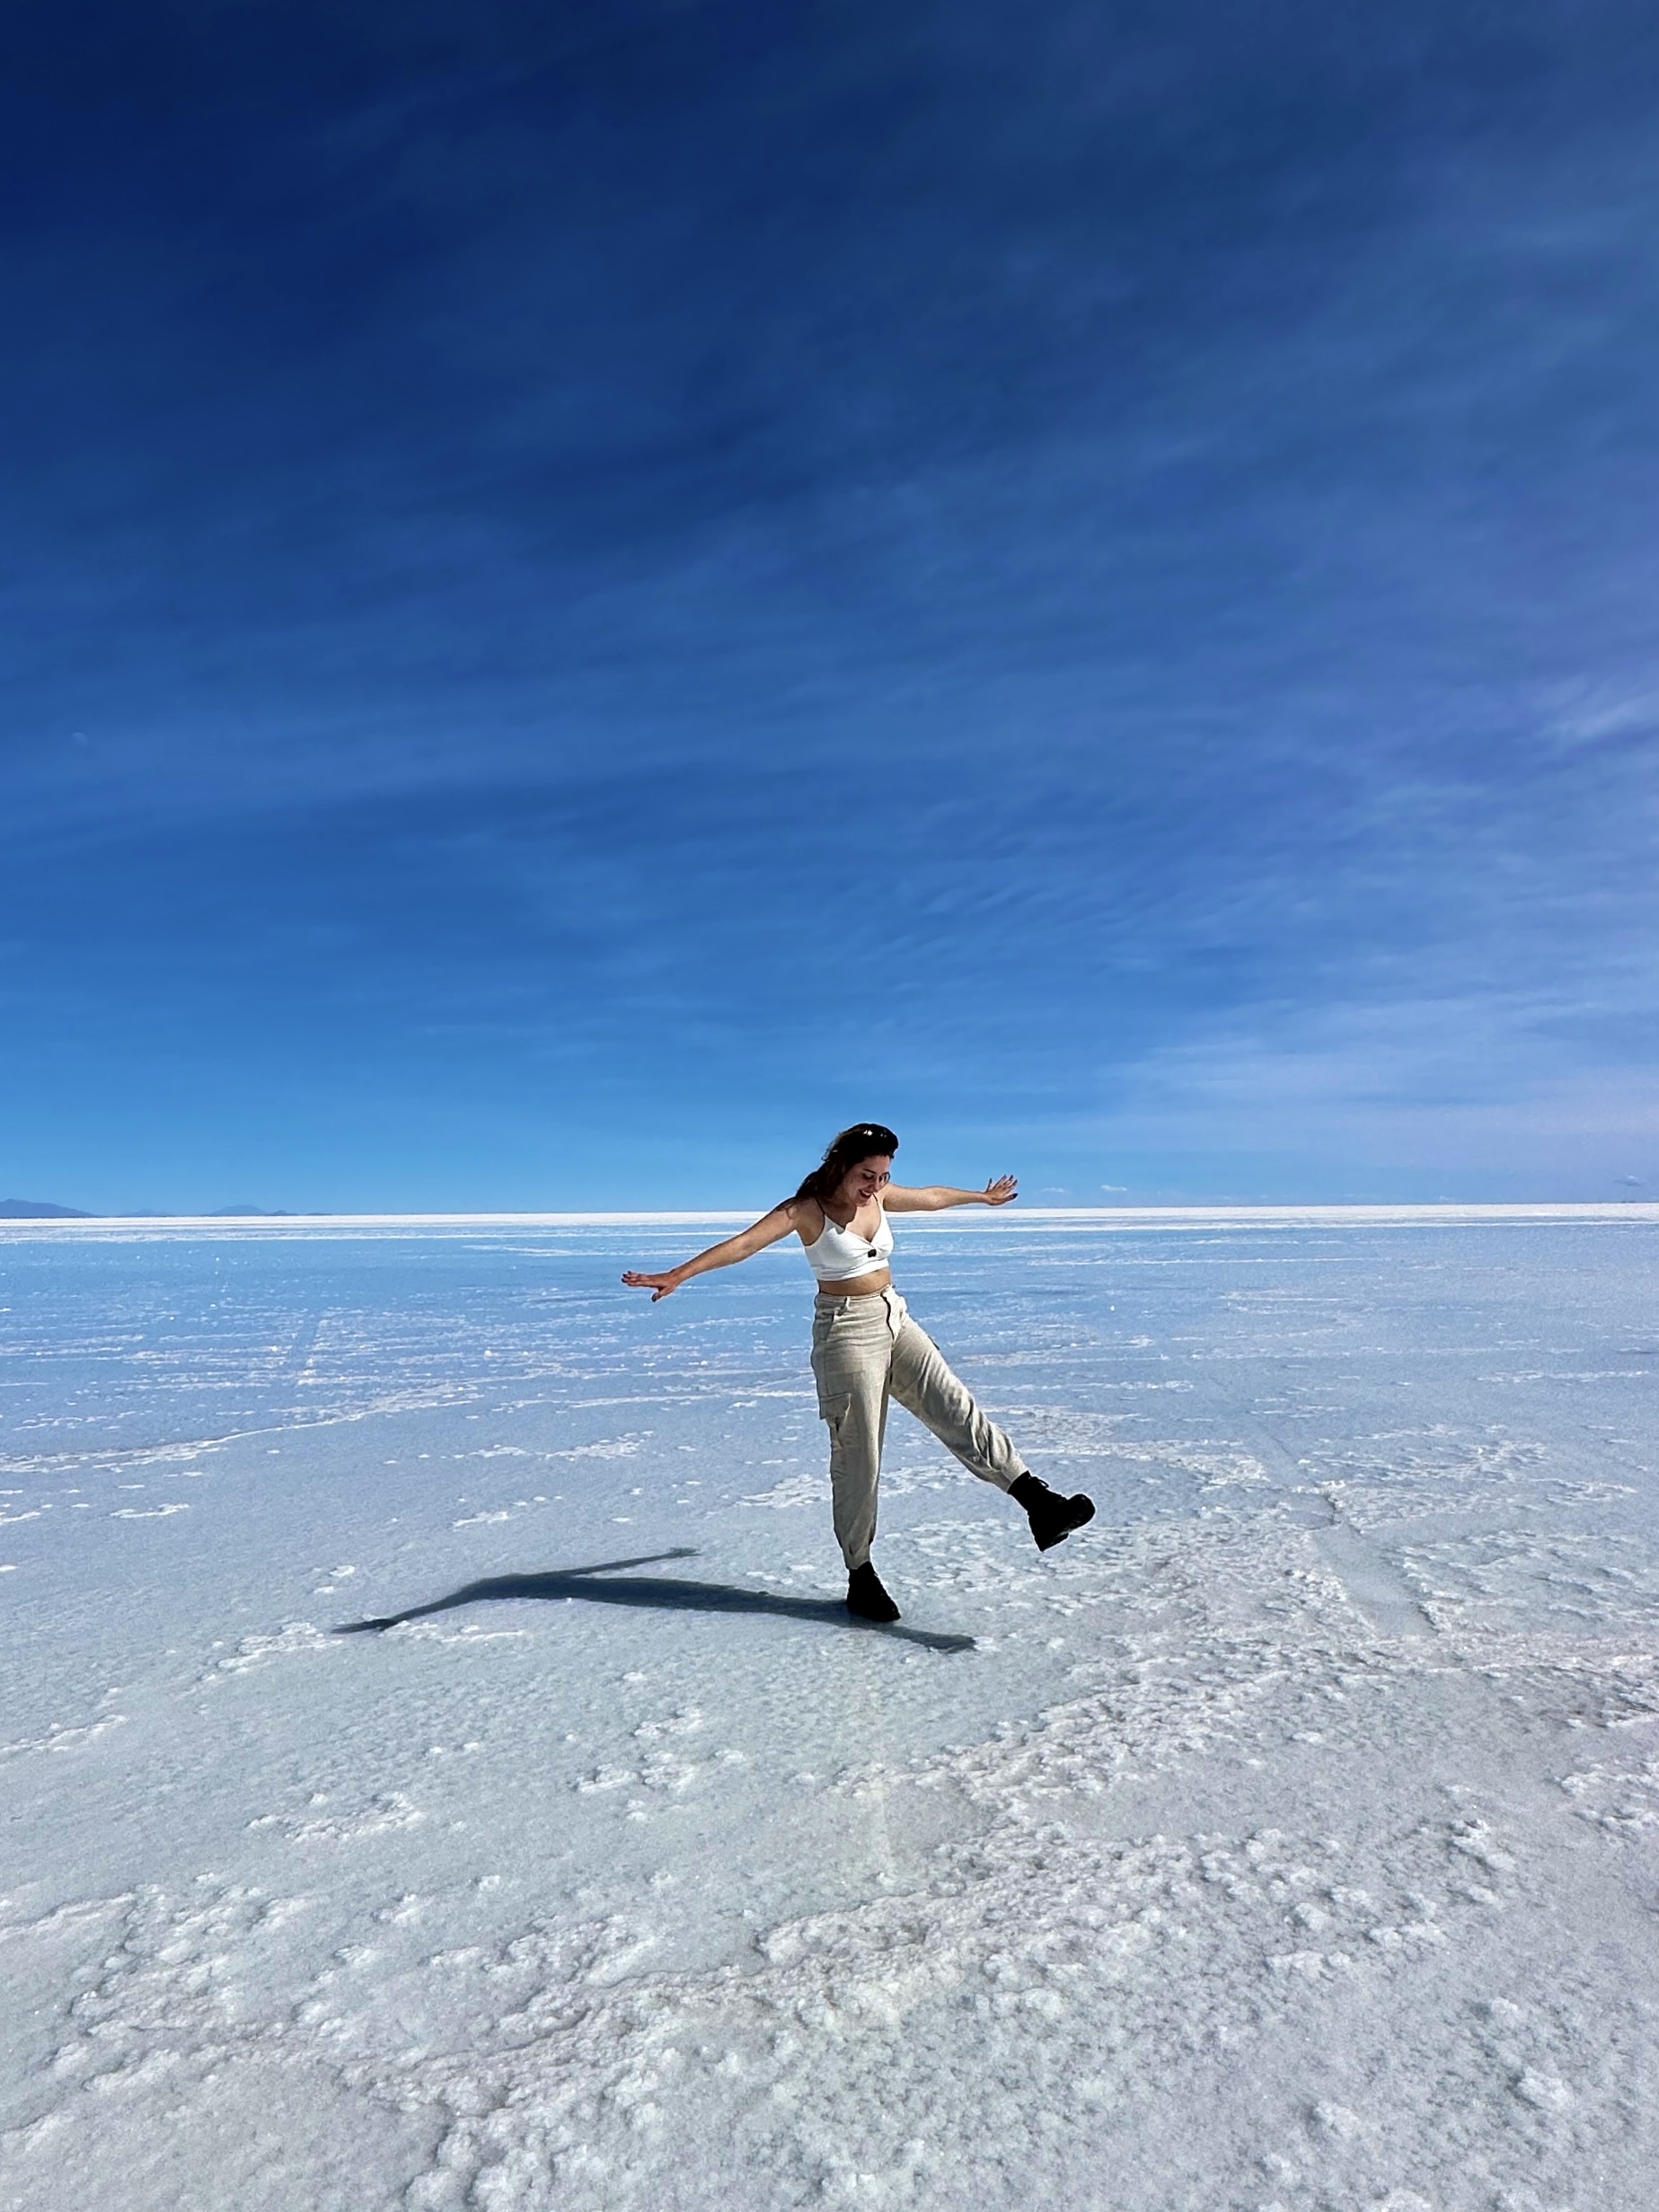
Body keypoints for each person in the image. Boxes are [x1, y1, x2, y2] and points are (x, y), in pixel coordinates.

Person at [622, 1122, 1094, 1623]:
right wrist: (677, 1275)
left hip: (894, 1317)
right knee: (859, 1452)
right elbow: (743, 1245)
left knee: (956, 1407)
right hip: (845, 1333)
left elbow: (932, 1198)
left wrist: (981, 1197)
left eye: (883, 1175)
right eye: (867, 1175)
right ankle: (860, 1572)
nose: (875, 1185)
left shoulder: (881, 1196)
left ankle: (1039, 1505)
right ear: (841, 1165)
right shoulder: (806, 1210)